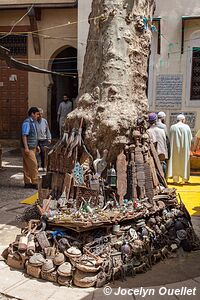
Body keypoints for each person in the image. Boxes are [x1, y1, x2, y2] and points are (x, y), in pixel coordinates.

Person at [167, 114, 192, 184]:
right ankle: (185, 179)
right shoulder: (187, 127)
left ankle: (175, 180)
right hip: (184, 149)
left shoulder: (173, 127)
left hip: (174, 149)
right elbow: (190, 138)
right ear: (183, 120)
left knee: (175, 162)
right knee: (184, 162)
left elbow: (169, 138)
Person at [21, 107, 40, 189]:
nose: (38, 116)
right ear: (32, 114)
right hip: (28, 147)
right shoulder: (27, 123)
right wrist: (26, 148)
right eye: (37, 114)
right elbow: (24, 135)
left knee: (27, 165)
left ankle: (27, 182)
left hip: (32, 146)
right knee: (33, 165)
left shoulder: (33, 122)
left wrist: (37, 145)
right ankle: (35, 182)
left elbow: (34, 136)